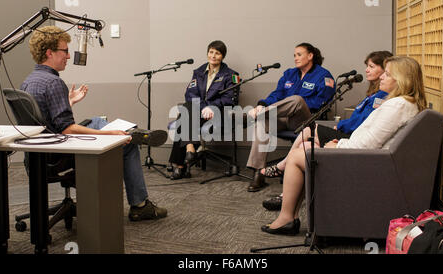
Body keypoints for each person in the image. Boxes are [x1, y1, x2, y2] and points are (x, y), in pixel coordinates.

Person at [260, 56, 427, 235]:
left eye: (387, 74)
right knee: (305, 150)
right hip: (370, 159)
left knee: (296, 156)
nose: (381, 77)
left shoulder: (396, 106)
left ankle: (286, 218)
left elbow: (365, 145)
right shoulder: (403, 103)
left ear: (401, 79)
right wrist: (339, 143)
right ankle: (289, 217)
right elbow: (368, 140)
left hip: (364, 162)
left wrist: (337, 146)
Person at [20, 25, 168, 222]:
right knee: (128, 145)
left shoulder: (30, 80)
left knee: (98, 121)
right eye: (65, 51)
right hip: (58, 157)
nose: (68, 56)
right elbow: (67, 129)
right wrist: (111, 135)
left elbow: (45, 120)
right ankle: (140, 205)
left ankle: (131, 131)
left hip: (39, 155)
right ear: (49, 52)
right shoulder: (53, 83)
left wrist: (69, 102)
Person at [261, 50, 393, 211]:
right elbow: (277, 93)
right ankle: (285, 195)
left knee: (308, 130)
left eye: (372, 67)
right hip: (346, 132)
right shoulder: (290, 74)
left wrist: (341, 125)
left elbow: (361, 121)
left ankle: (281, 167)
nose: (367, 70)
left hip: (352, 138)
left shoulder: (382, 96)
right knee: (306, 146)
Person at [246, 42, 336, 192]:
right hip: (283, 118)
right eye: (294, 55)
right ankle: (258, 173)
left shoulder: (324, 76)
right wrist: (262, 103)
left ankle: (256, 114)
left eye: (299, 54)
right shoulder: (289, 74)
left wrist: (296, 105)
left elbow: (323, 102)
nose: (295, 58)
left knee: (297, 100)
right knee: (263, 122)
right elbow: (277, 94)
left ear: (310, 56)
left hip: (305, 121)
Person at [168, 40, 239, 180]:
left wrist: (212, 107)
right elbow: (190, 94)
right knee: (187, 108)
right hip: (199, 112)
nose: (213, 56)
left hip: (219, 114)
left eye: (217, 53)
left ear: (222, 56)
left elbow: (231, 99)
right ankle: (189, 148)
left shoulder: (231, 75)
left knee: (184, 115)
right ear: (207, 53)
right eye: (211, 52)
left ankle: (180, 164)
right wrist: (204, 108)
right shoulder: (199, 72)